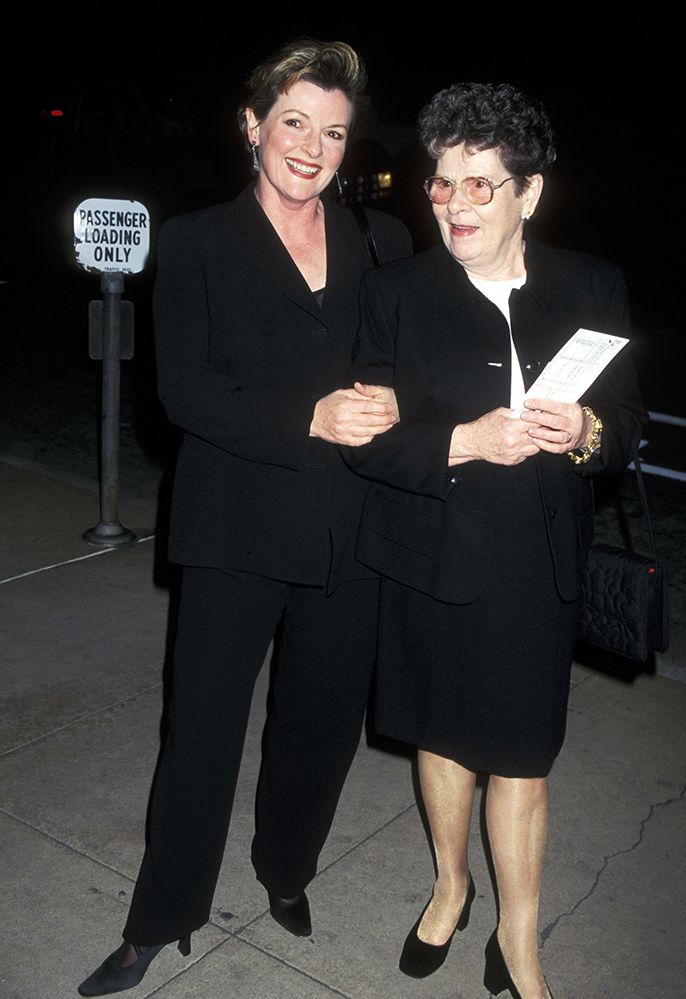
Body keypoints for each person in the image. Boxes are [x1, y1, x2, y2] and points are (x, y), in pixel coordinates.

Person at [77, 39, 411, 997]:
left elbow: (402, 357)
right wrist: (306, 416)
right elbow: (181, 392)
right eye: (295, 121)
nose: (312, 146)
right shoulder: (194, 243)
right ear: (253, 124)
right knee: (204, 730)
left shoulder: (382, 242)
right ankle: (161, 916)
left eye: (334, 131)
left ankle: (286, 869)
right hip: (233, 528)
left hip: (351, 527)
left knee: (320, 723)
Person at [344, 82, 644, 999]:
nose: (455, 205)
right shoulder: (393, 294)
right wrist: (463, 440)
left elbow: (628, 428)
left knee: (521, 753)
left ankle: (518, 936)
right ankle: (450, 885)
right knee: (441, 740)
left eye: (480, 185)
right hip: (434, 551)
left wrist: (586, 433)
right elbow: (367, 441)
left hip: (537, 560)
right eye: (441, 184)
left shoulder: (592, 284)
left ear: (530, 192)